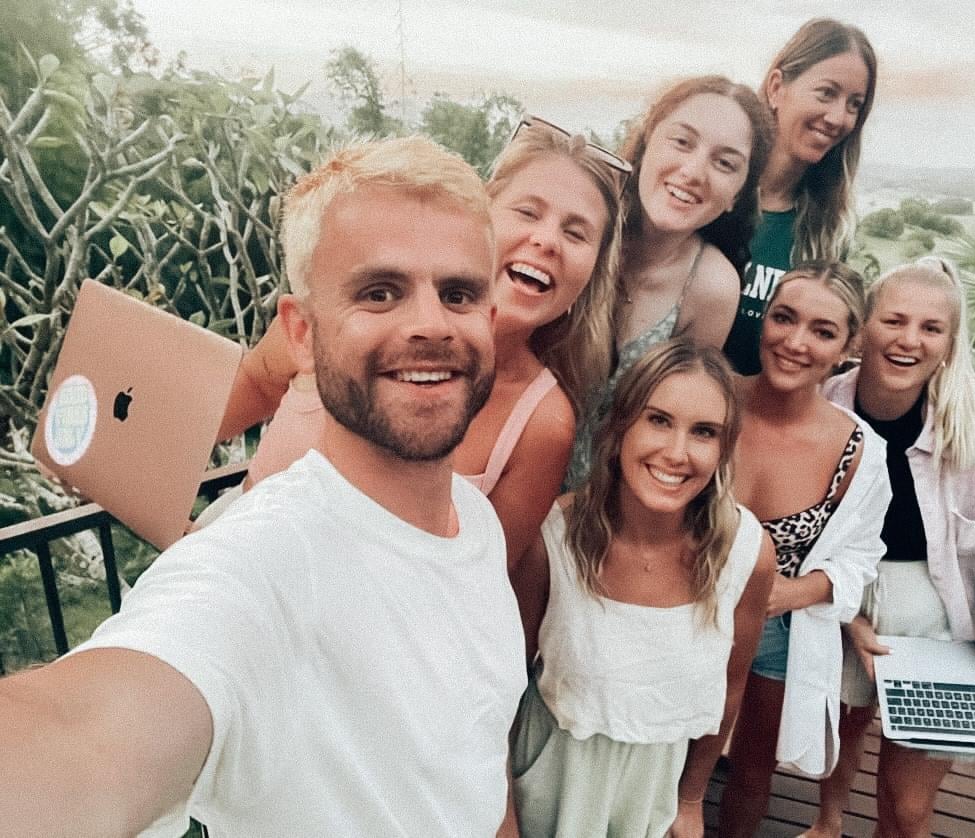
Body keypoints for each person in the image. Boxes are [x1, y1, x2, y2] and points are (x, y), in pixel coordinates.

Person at [0, 137, 528, 836]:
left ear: (489, 321)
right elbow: (83, 737)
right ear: (301, 334)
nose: (430, 324)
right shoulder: (258, 569)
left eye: (457, 294)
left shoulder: (473, 520)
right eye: (379, 292)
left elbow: (474, 760)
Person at [213, 116, 627, 568]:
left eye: (576, 233)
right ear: (481, 220)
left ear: (591, 274)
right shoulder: (342, 321)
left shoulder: (543, 422)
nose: (547, 241)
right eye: (527, 212)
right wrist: (178, 521)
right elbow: (251, 385)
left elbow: (482, 576)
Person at [805, 257, 975, 838]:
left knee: (908, 804)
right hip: (846, 590)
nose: (909, 341)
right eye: (894, 321)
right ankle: (827, 823)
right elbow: (803, 524)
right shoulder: (826, 400)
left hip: (936, 604)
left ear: (949, 343)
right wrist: (846, 615)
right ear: (863, 328)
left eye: (930, 328)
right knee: (842, 727)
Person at [510, 338, 776, 837]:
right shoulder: (552, 541)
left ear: (723, 449)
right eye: (658, 420)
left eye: (704, 432)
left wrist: (691, 798)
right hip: (552, 781)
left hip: (655, 789)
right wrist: (503, 809)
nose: (676, 453)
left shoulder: (746, 553)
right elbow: (505, 684)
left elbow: (731, 685)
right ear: (620, 428)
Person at [718, 261, 891, 837]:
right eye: (784, 318)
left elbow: (861, 555)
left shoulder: (858, 450)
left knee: (751, 770)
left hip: (776, 630)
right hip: (679, 607)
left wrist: (795, 592)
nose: (795, 342)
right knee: (663, 754)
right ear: (763, 319)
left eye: (822, 331)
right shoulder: (711, 401)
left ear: (848, 347)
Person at [565, 74, 773, 488]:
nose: (693, 171)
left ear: (737, 194)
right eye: (682, 141)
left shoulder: (711, 287)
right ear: (646, 144)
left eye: (725, 163)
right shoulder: (578, 223)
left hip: (596, 502)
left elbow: (673, 424)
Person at [723, 18, 877, 376]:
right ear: (777, 88)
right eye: (827, 93)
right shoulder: (717, 195)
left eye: (854, 104)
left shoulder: (828, 231)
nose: (838, 118)